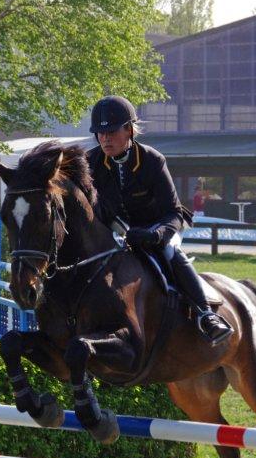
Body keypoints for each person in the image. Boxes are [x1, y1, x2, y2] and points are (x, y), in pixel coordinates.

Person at [87, 95, 232, 345]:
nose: (105, 139)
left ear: (129, 130)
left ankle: (206, 314)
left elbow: (174, 212)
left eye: (111, 132)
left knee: (171, 253)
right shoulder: (90, 162)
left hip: (157, 228)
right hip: (115, 229)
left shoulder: (152, 160)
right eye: (100, 133)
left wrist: (155, 236)